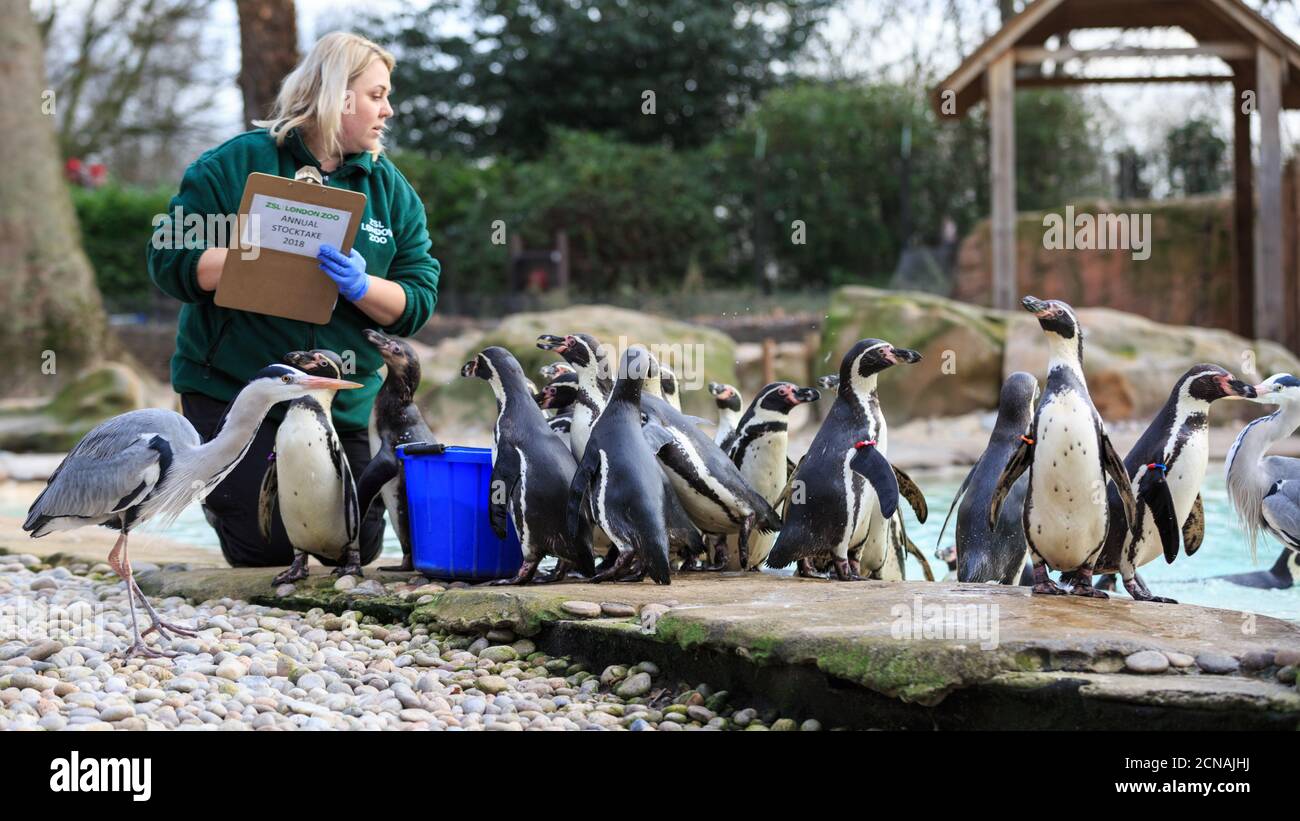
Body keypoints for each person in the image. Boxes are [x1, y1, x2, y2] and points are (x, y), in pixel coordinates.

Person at [146, 32, 439, 569]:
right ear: (337, 95)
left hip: (337, 400)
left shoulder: (390, 190)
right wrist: (246, 256)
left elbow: (417, 297)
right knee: (267, 548)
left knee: (354, 542)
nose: (388, 109)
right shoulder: (234, 164)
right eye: (376, 95)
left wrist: (362, 286)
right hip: (238, 392)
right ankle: (222, 495)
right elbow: (167, 258)